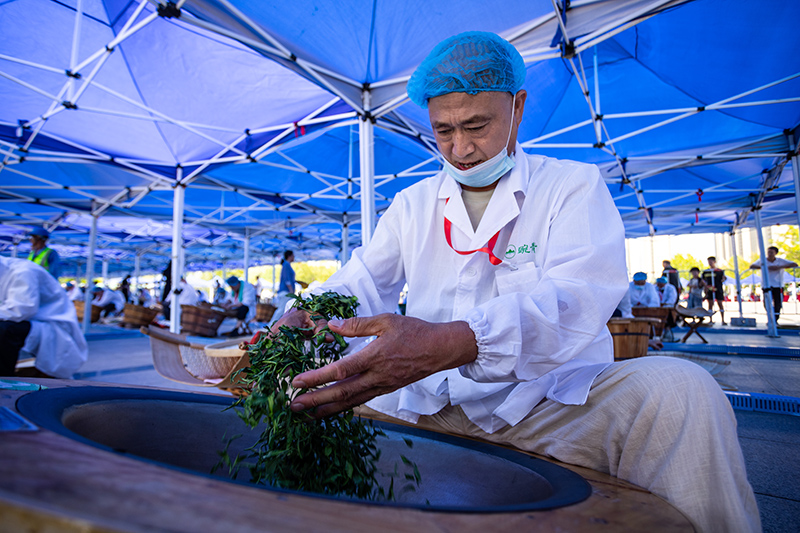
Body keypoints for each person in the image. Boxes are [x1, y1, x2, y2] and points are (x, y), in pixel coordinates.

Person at [271, 32, 758, 532]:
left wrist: (456, 342)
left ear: (517, 107)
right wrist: (304, 314)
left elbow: (574, 300)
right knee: (300, 393)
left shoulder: (569, 187)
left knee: (681, 391)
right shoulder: (412, 205)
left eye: (476, 125)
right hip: (425, 404)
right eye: (443, 131)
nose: (460, 149)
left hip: (542, 409)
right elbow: (361, 281)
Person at [0, 256, 87, 378]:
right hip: (30, 319)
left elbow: (22, 310)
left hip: (50, 323)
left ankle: (4, 379)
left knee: (4, 330)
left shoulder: (23, 271)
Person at [749, 246, 798, 322]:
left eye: (771, 253)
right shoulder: (763, 260)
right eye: (768, 252)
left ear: (775, 253)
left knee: (778, 303)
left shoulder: (780, 261)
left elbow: (795, 264)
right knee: (767, 302)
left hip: (778, 284)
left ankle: (775, 319)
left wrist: (780, 267)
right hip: (766, 284)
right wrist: (764, 267)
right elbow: (752, 266)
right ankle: (770, 317)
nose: (770, 254)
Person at [270, 250, 297, 324]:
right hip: (286, 292)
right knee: (282, 310)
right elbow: (287, 280)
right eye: (293, 255)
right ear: (289, 256)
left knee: (284, 310)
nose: (294, 257)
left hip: (286, 291)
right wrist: (291, 291)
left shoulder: (286, 265)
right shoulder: (286, 265)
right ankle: (270, 326)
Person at [702, 256, 727, 324]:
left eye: (711, 261)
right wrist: (705, 288)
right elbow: (703, 280)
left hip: (718, 289)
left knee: (720, 304)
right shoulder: (706, 272)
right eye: (709, 261)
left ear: (714, 262)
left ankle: (723, 320)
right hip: (709, 290)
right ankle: (710, 320)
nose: (710, 263)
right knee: (710, 304)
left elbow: (723, 279)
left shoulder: (719, 271)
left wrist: (723, 279)